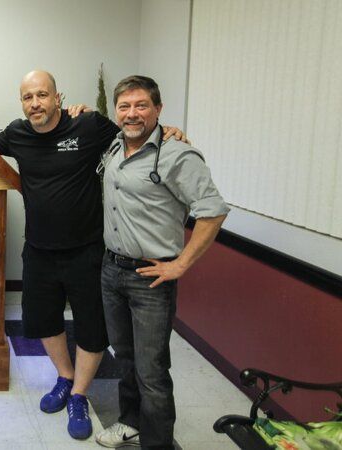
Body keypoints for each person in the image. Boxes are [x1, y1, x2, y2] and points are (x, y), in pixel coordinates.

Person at [0, 70, 184, 440]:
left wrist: (168, 132)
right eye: (28, 97)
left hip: (87, 252)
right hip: (39, 251)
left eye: (42, 95)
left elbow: (133, 131)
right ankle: (65, 376)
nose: (35, 103)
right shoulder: (19, 134)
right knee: (43, 321)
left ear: (58, 98)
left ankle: (78, 394)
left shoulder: (87, 126)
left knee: (92, 328)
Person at [94, 75, 228, 449]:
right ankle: (130, 422)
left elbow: (213, 212)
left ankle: (157, 443)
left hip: (151, 278)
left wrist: (180, 265)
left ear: (158, 109)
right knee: (125, 358)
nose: (132, 113)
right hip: (111, 270)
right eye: (125, 106)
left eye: (141, 105)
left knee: (151, 370)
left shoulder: (177, 154)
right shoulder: (113, 148)